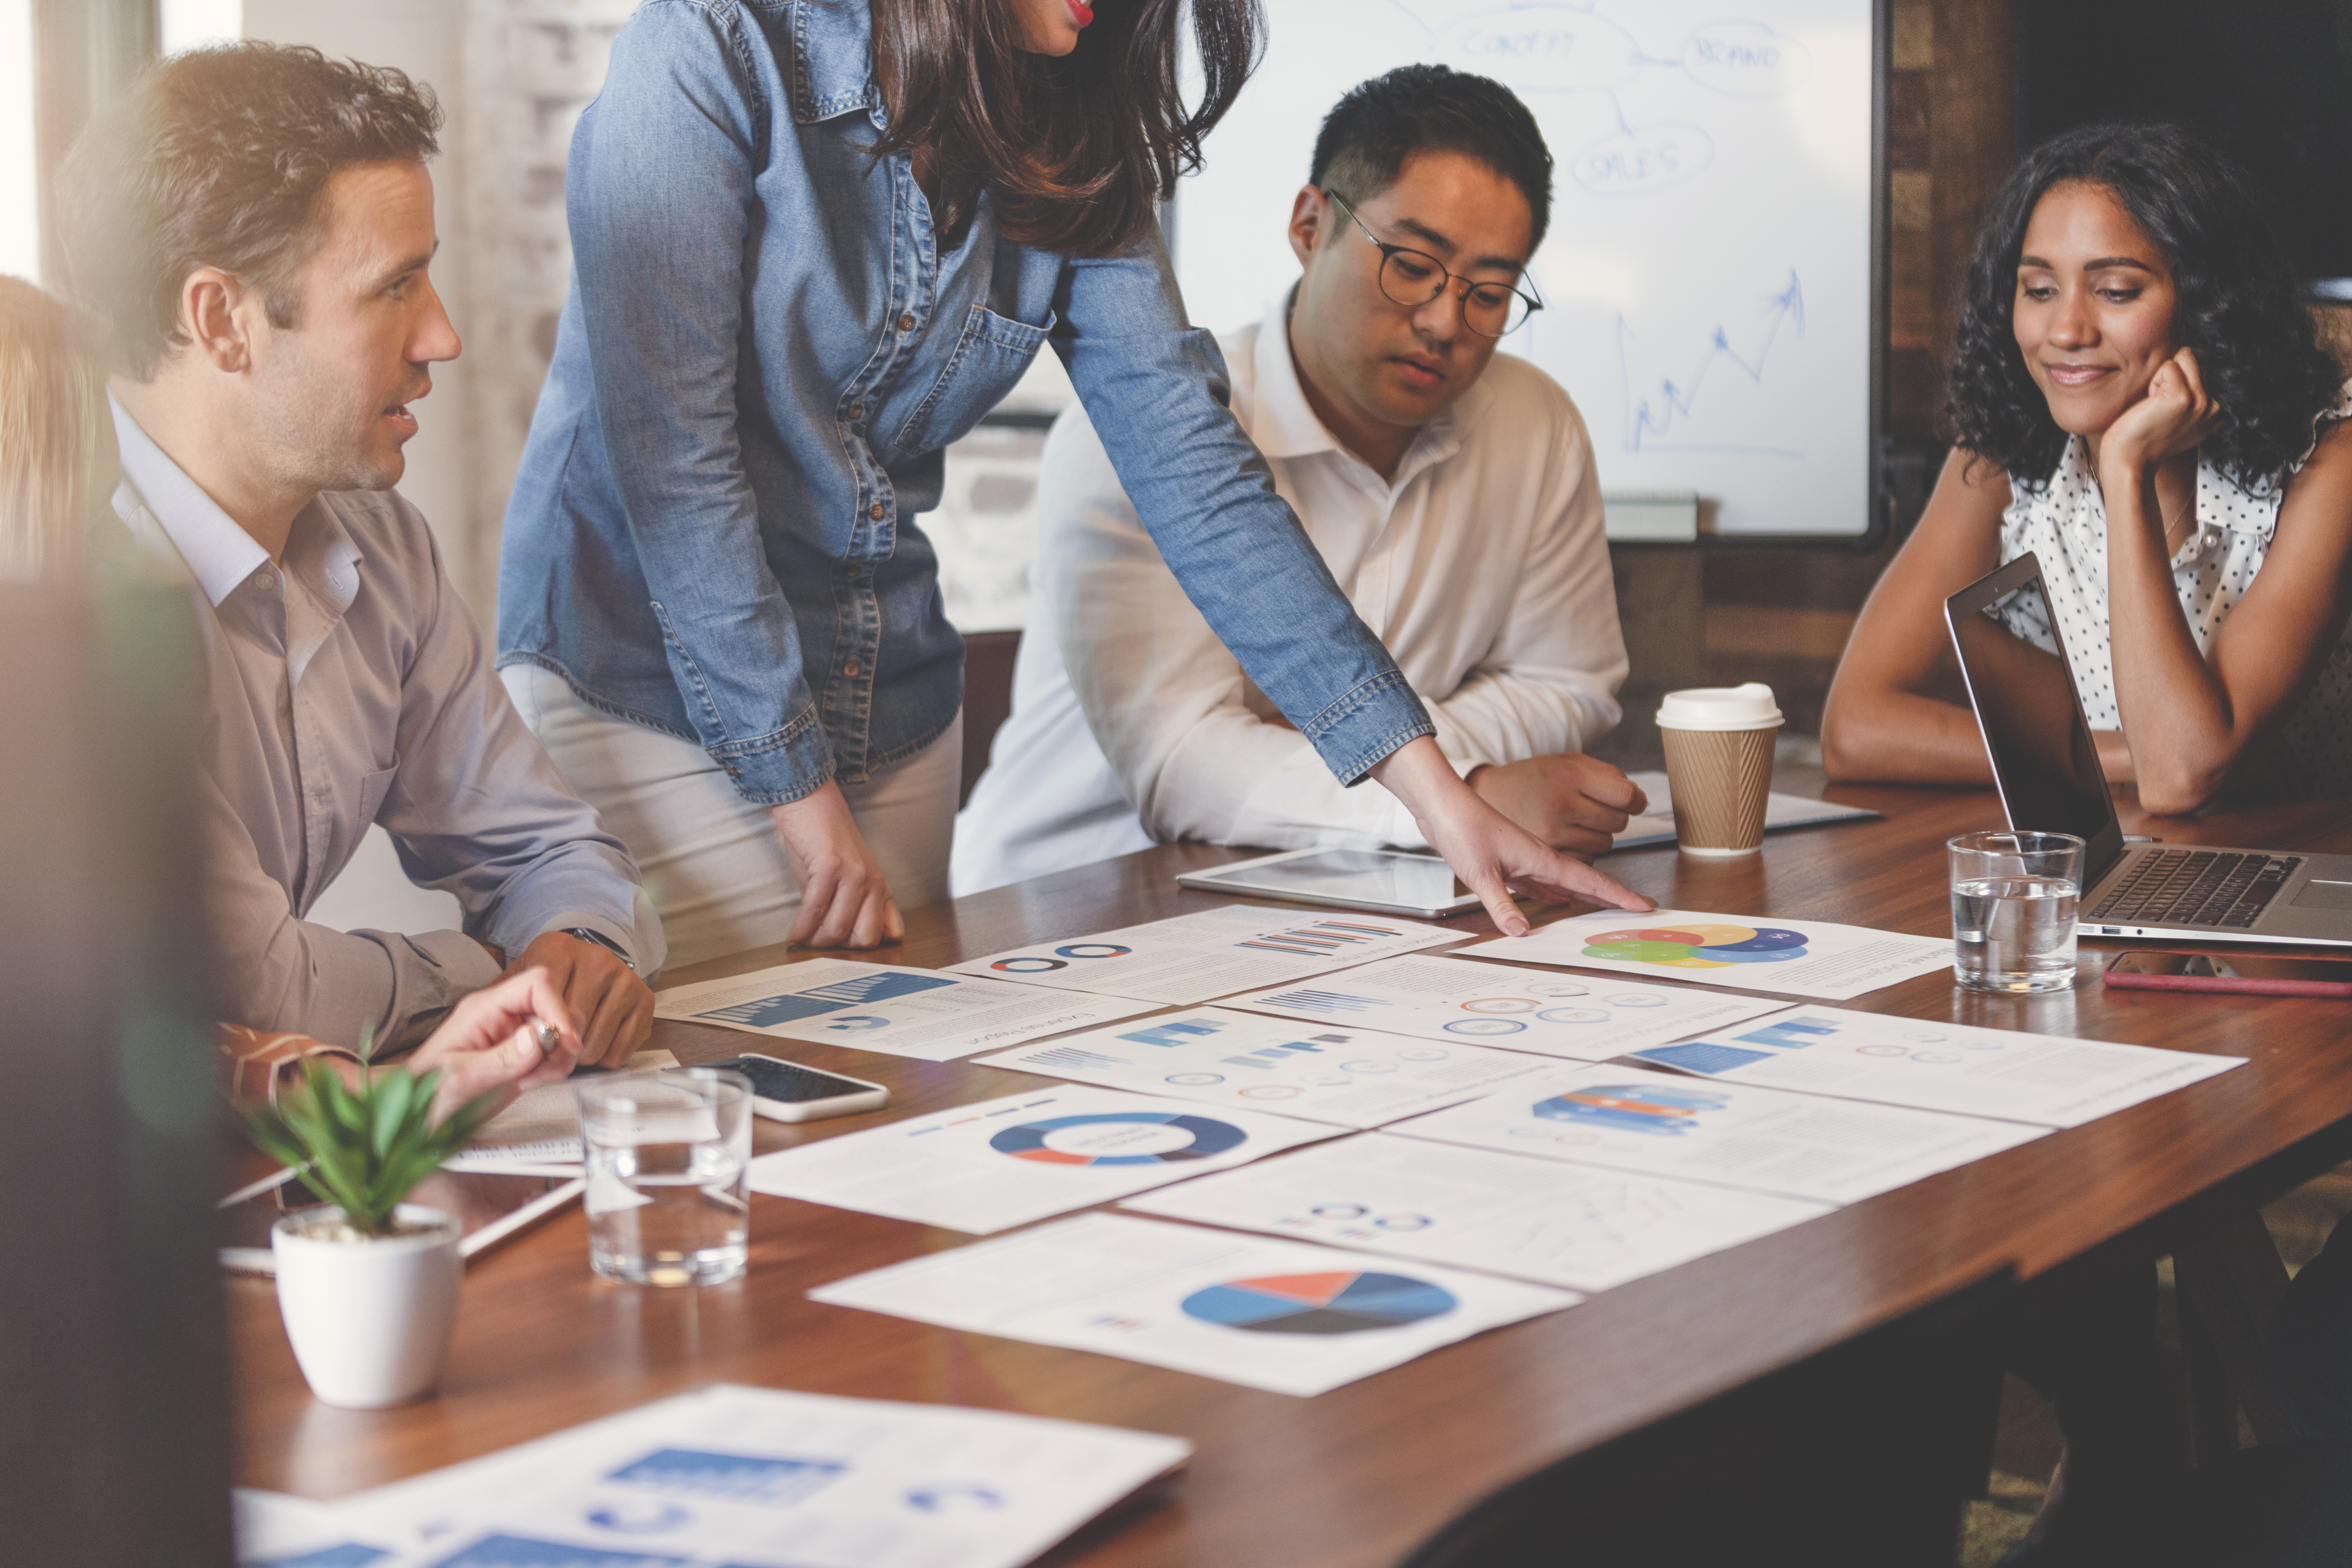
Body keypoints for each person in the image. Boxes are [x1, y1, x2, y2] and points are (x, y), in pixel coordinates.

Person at [497, 0, 1650, 968]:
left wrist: (1437, 796)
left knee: (884, 1097)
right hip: (650, 685)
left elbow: (1196, 471)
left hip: (883, 692)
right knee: (721, 1092)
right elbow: (677, 472)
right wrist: (800, 799)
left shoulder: (1072, 126)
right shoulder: (707, 49)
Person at [60, 44, 665, 1060]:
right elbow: (257, 984)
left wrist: (578, 943)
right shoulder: (67, 589)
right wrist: (490, 970)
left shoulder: (385, 548)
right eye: (396, 288)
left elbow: (549, 847)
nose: (442, 338)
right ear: (222, 321)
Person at [953, 65, 1643, 894]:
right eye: (1412, 265)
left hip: (1356, 899)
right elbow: (1183, 763)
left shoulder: (1536, 425)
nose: (1443, 322)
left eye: (1491, 292)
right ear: (1310, 226)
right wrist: (1461, 793)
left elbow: (1570, 684)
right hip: (1076, 903)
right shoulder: (1142, 430)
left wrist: (1373, 741)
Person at [1821, 123, 2352, 814]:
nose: (2067, 331)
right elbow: (1854, 728)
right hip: (2131, 853)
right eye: (2040, 289)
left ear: (2206, 303)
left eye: (2117, 291)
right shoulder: (2007, 453)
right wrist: (2120, 756)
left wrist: (2127, 470)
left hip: (2307, 861)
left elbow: (2180, 775)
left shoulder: (2327, 460)